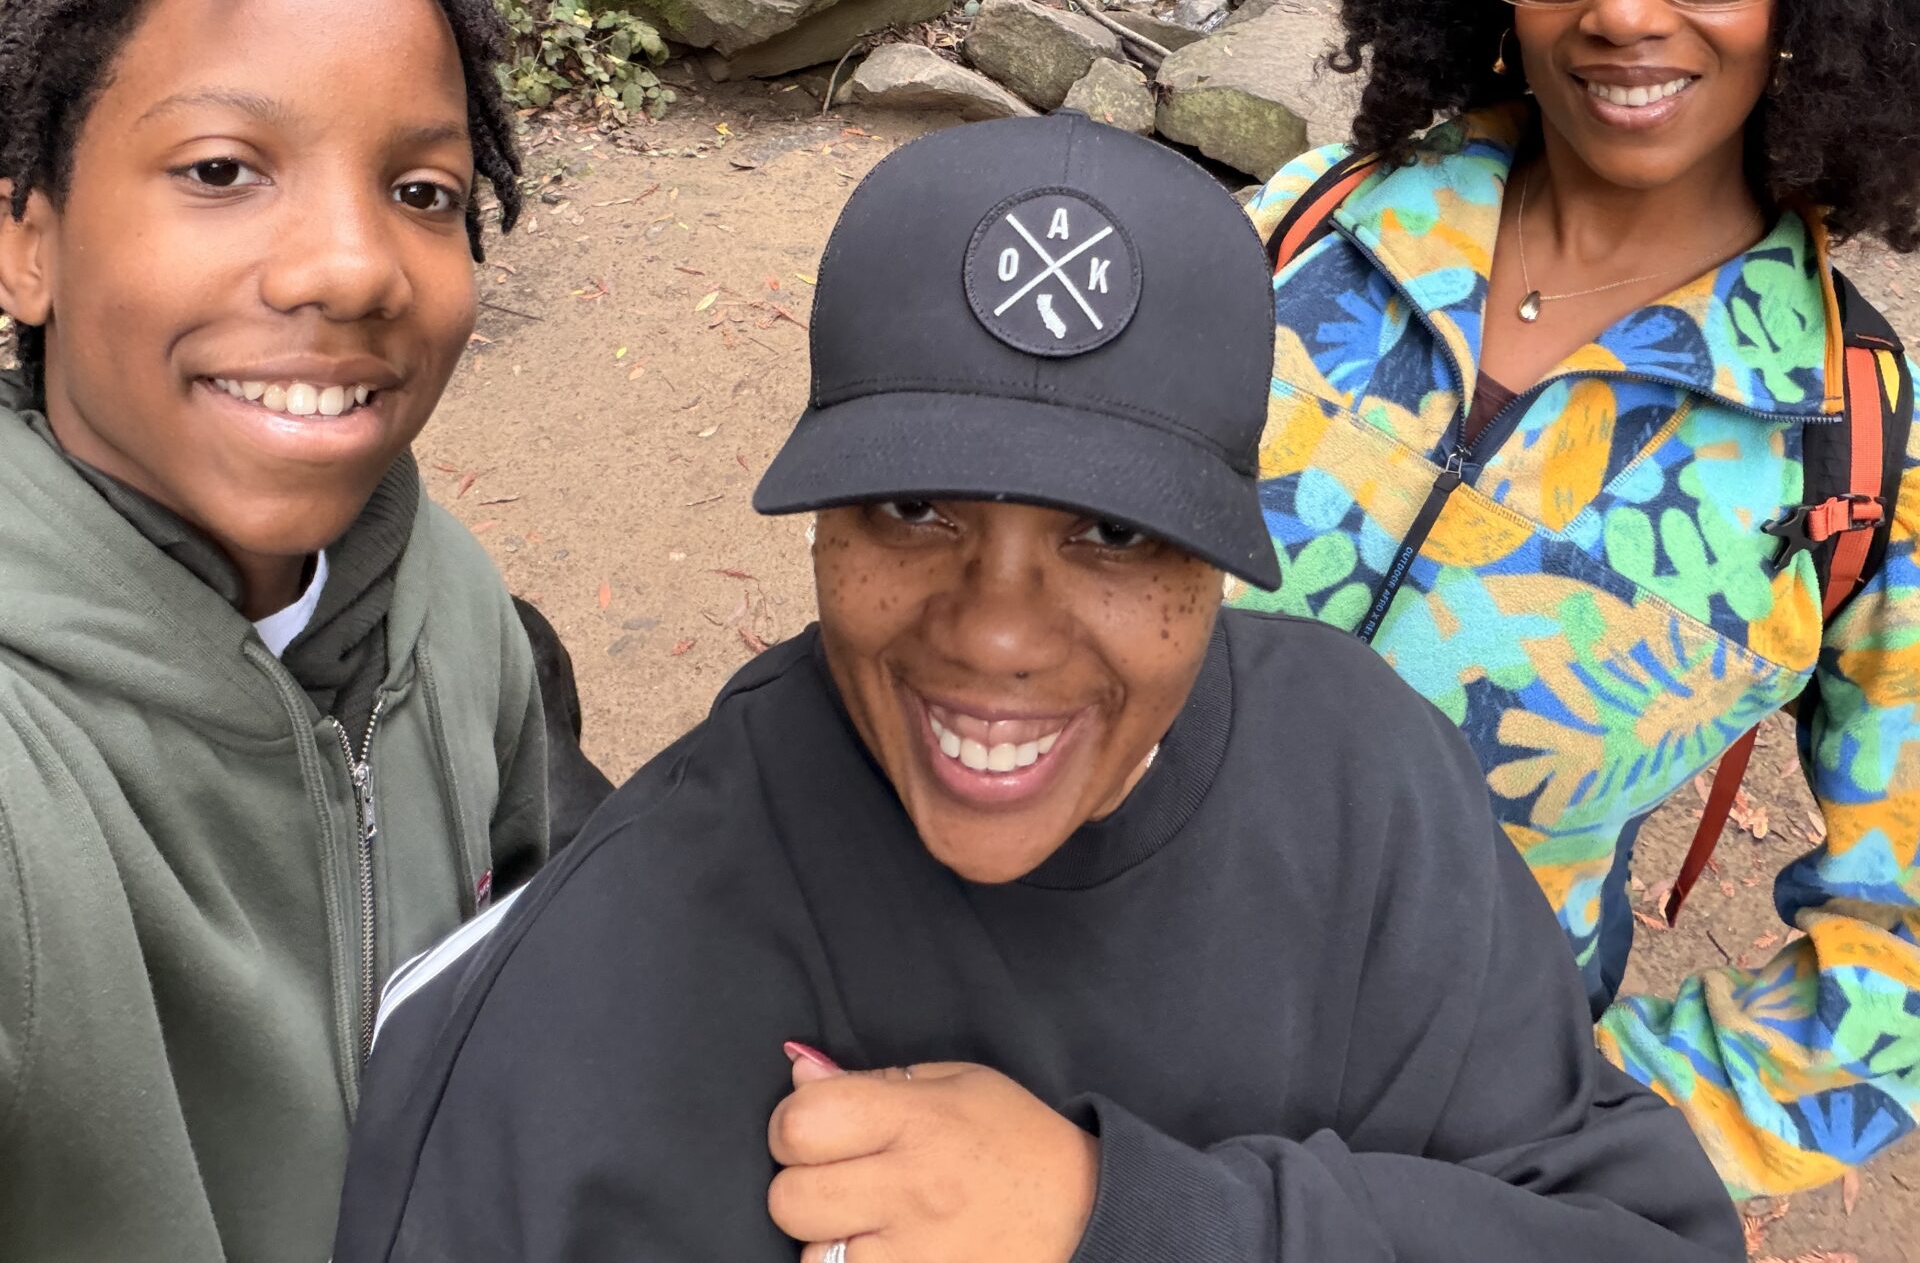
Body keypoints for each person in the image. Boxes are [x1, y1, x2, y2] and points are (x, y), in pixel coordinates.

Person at [335, 112, 1741, 1263]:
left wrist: (1115, 1218)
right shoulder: (650, 927)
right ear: (821, 529)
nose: (999, 635)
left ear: (1220, 557)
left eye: (1114, 532)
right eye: (911, 508)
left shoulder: (1363, 785)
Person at [1246, 0, 1920, 1201]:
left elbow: (1895, 977)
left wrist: (1566, 1148)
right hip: (1049, 1020)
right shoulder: (1306, 229)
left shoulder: (1852, 447)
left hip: (1407, 1172)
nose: (1623, 11)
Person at [0, 0, 553, 1263]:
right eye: (221, 170)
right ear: (27, 243)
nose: (353, 270)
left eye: (421, 192)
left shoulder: (450, 599)